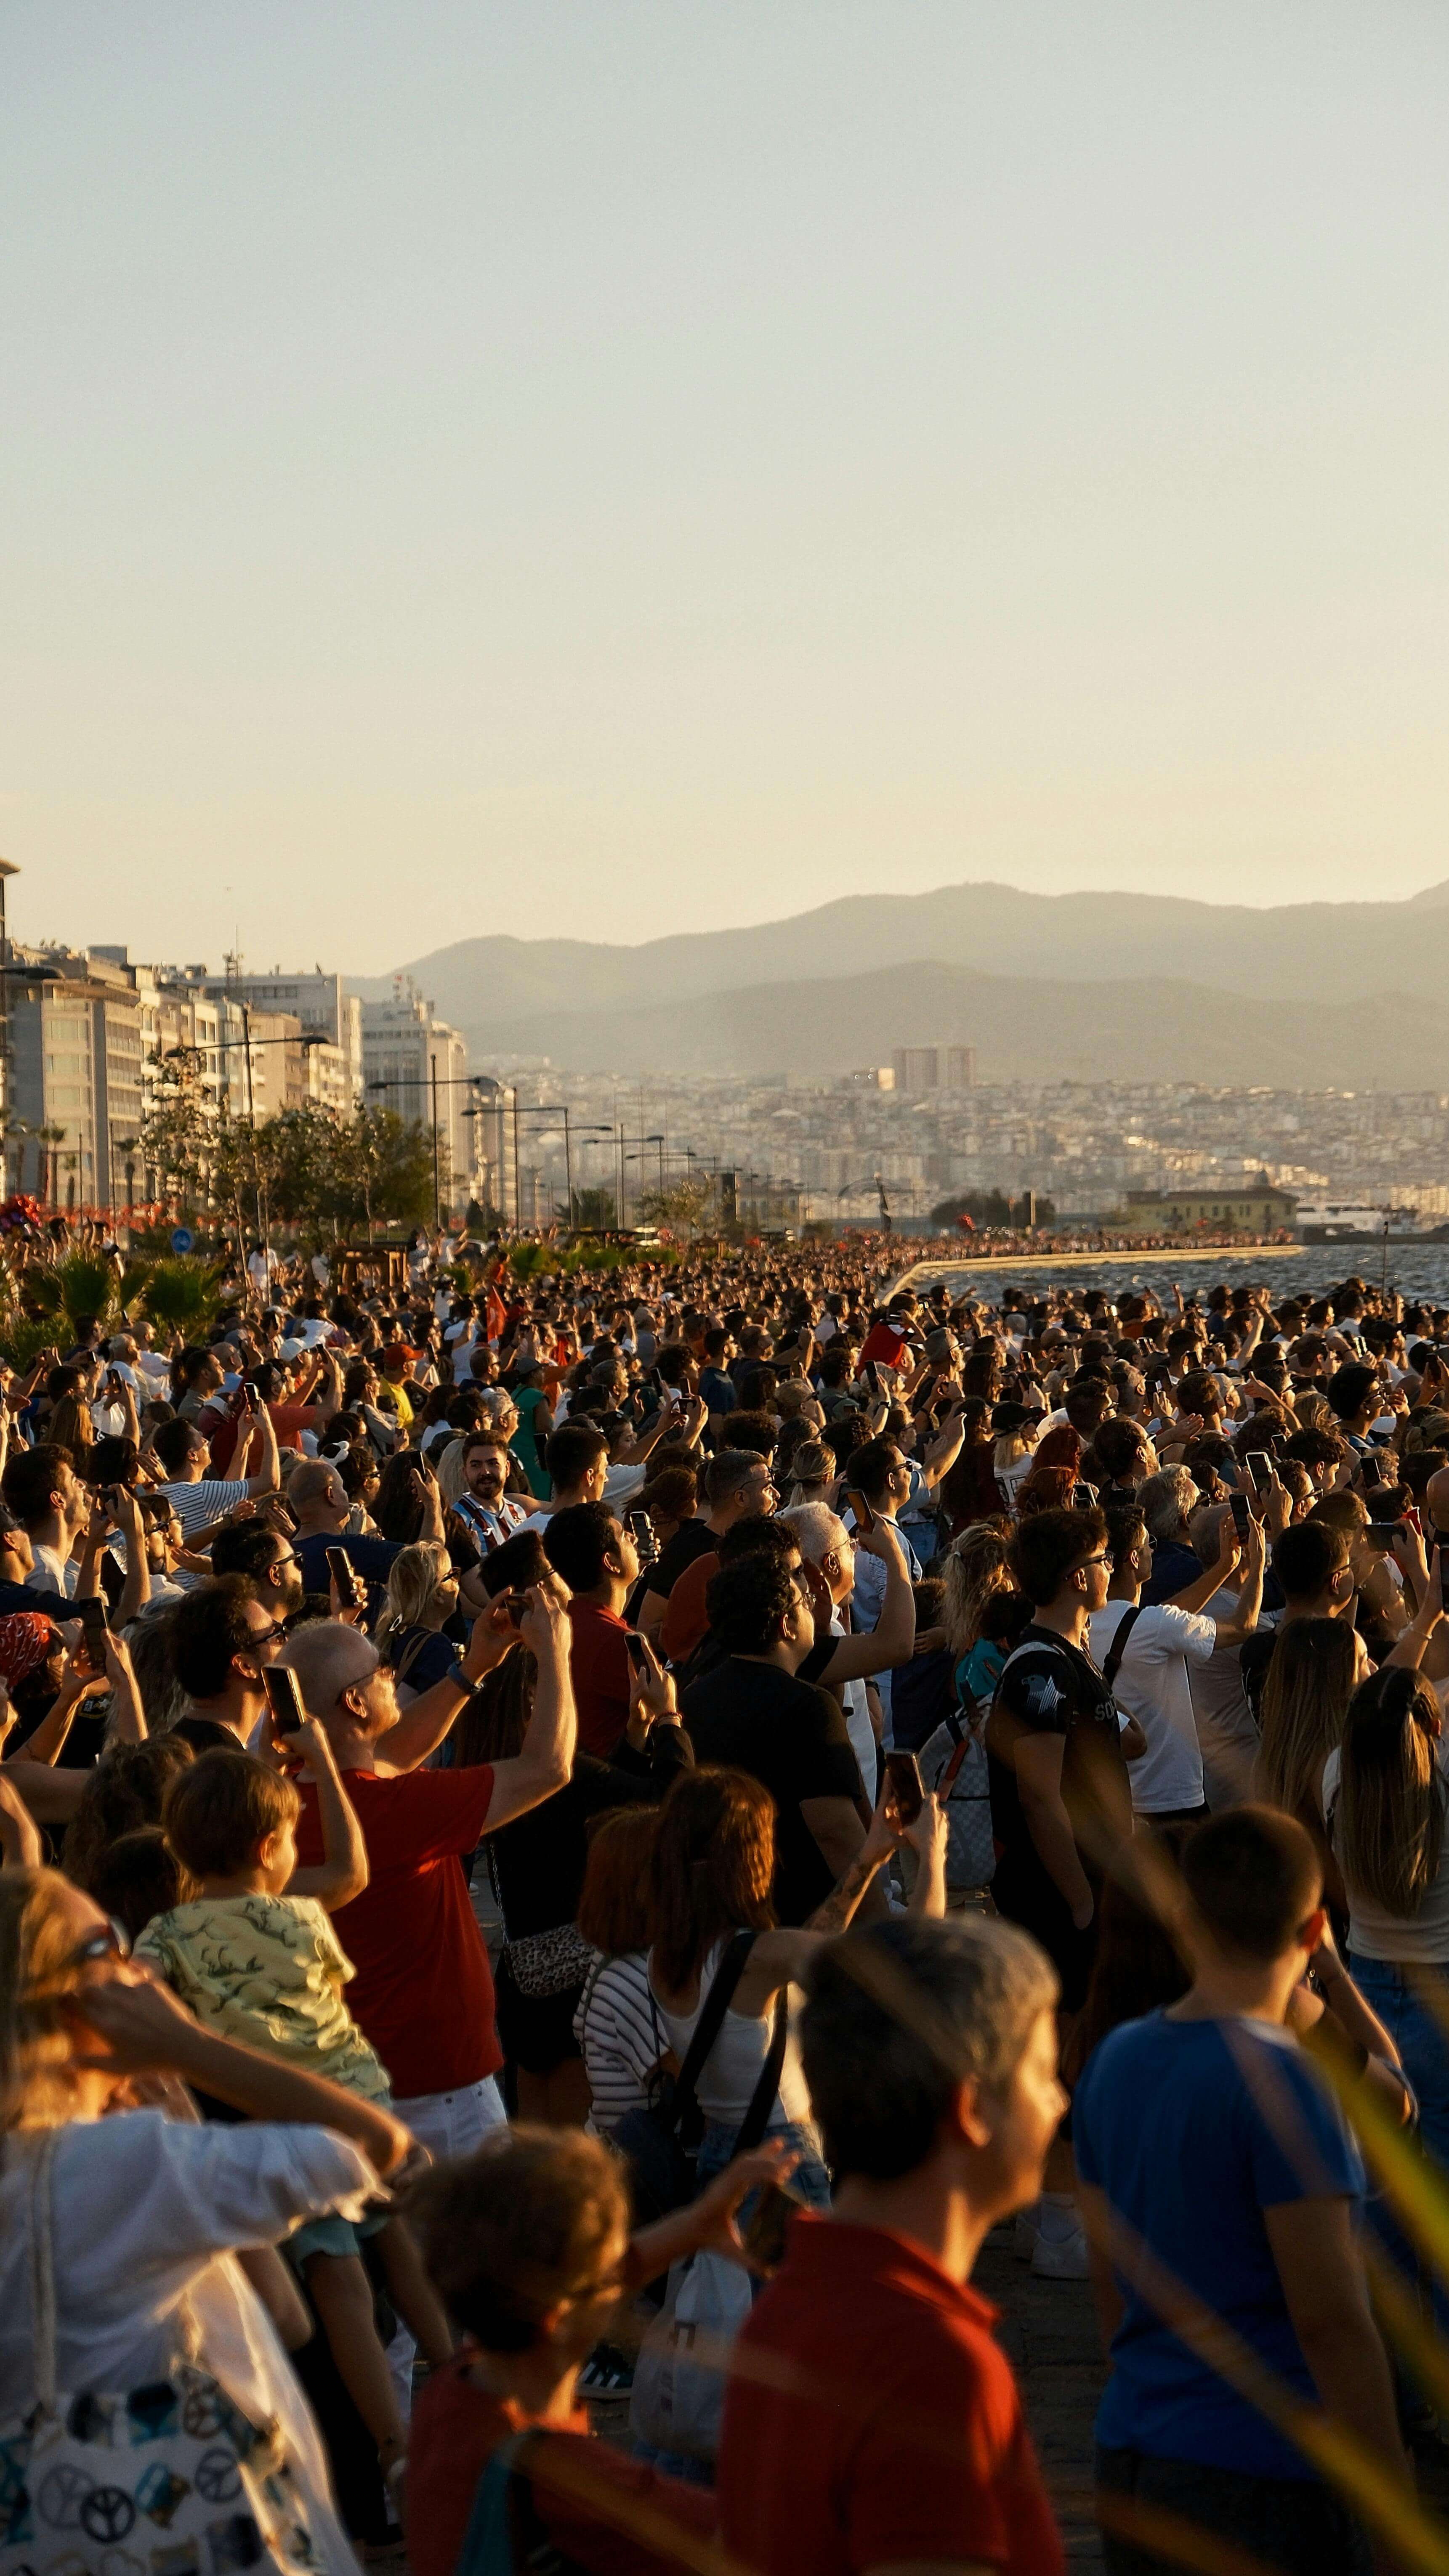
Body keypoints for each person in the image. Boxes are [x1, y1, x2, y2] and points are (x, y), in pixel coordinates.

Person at [0, 1865, 417, 2576]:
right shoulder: (130, 2165)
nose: (136, 1966)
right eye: (108, 1945)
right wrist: (188, 2047)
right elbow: (376, 2146)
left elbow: (282, 2314)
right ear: (73, 2004)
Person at [1075, 1807, 1407, 2576]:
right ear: (1313, 1928)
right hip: (1263, 2468)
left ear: (1185, 1919)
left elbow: (1109, 2287)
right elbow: (1330, 2320)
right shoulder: (1287, 2082)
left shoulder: (1114, 2058)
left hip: (1135, 2446)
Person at [137, 1744, 450, 2502]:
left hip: (280, 2124)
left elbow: (146, 1998)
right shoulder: (303, 1914)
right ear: (266, 1846)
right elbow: (340, 1931)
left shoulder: (167, 1933)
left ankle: (392, 2442)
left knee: (338, 2281)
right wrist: (321, 1763)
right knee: (397, 2244)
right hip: (361, 2103)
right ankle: (458, 2367)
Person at [716, 1913, 1068, 2576]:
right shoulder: (931, 2364)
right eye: (1043, 2072)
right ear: (971, 2108)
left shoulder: (788, 2304)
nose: (1058, 2101)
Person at [407, 2126, 789, 2576]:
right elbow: (757, 2544)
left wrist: (693, 2227)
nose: (623, 2282)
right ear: (561, 2318)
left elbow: (570, 2291)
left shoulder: (451, 2392)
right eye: (611, 2273)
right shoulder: (580, 2486)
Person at [279, 1595, 575, 2161]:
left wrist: (473, 1669)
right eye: (381, 1669)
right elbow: (547, 1768)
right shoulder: (393, 1810)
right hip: (440, 2096)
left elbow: (386, 1756)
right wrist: (555, 1654)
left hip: (352, 2082)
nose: (391, 1674)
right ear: (354, 1701)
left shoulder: (288, 1798)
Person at [646, 1764, 947, 2211]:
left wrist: (868, 1858)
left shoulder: (666, 1955)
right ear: (746, 1858)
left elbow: (808, 1944)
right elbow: (913, 1960)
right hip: (784, 2163)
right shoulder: (760, 1954)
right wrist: (933, 1857)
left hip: (718, 2153)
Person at [1328, 1660, 1449, 2323]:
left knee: (1378, 2200)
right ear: (1430, 1726)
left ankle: (1389, 2368)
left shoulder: (1335, 1776)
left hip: (1363, 1993)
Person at [681, 1554, 878, 1924]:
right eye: (804, 1602)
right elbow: (836, 1833)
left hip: (723, 1911)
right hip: (800, 1917)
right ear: (786, 1625)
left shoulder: (692, 1699)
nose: (810, 1608)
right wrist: (880, 1920)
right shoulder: (806, 1706)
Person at [1090, 1501, 1263, 1826]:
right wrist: (1257, 1564)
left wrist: (1224, 1567)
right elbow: (1243, 1626)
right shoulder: (1154, 1626)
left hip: (1121, 1797)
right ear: (1133, 1559)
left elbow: (1163, 1615)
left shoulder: (1088, 1623)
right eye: (1148, 1544)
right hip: (1172, 1797)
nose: (1152, 1551)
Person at [635, 1445, 776, 1643]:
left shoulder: (760, 1546)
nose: (777, 1495)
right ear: (741, 1498)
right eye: (767, 1489)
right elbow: (646, 1627)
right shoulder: (688, 1550)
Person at [541, 1501, 641, 1758]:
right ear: (611, 1562)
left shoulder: (562, 1624)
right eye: (623, 1536)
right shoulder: (617, 1643)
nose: (634, 1538)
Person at [168, 1572, 289, 1752]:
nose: (287, 1641)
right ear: (245, 1666)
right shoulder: (229, 1765)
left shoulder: (173, 1748)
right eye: (276, 1635)